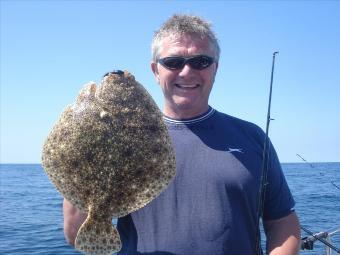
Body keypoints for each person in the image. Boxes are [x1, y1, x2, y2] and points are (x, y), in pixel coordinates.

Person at [63, 14, 301, 254]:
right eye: (174, 62)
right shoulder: (118, 138)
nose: (187, 72)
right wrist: (82, 153)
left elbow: (283, 222)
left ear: (215, 68)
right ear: (156, 70)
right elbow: (76, 235)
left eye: (201, 61)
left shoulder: (252, 137)